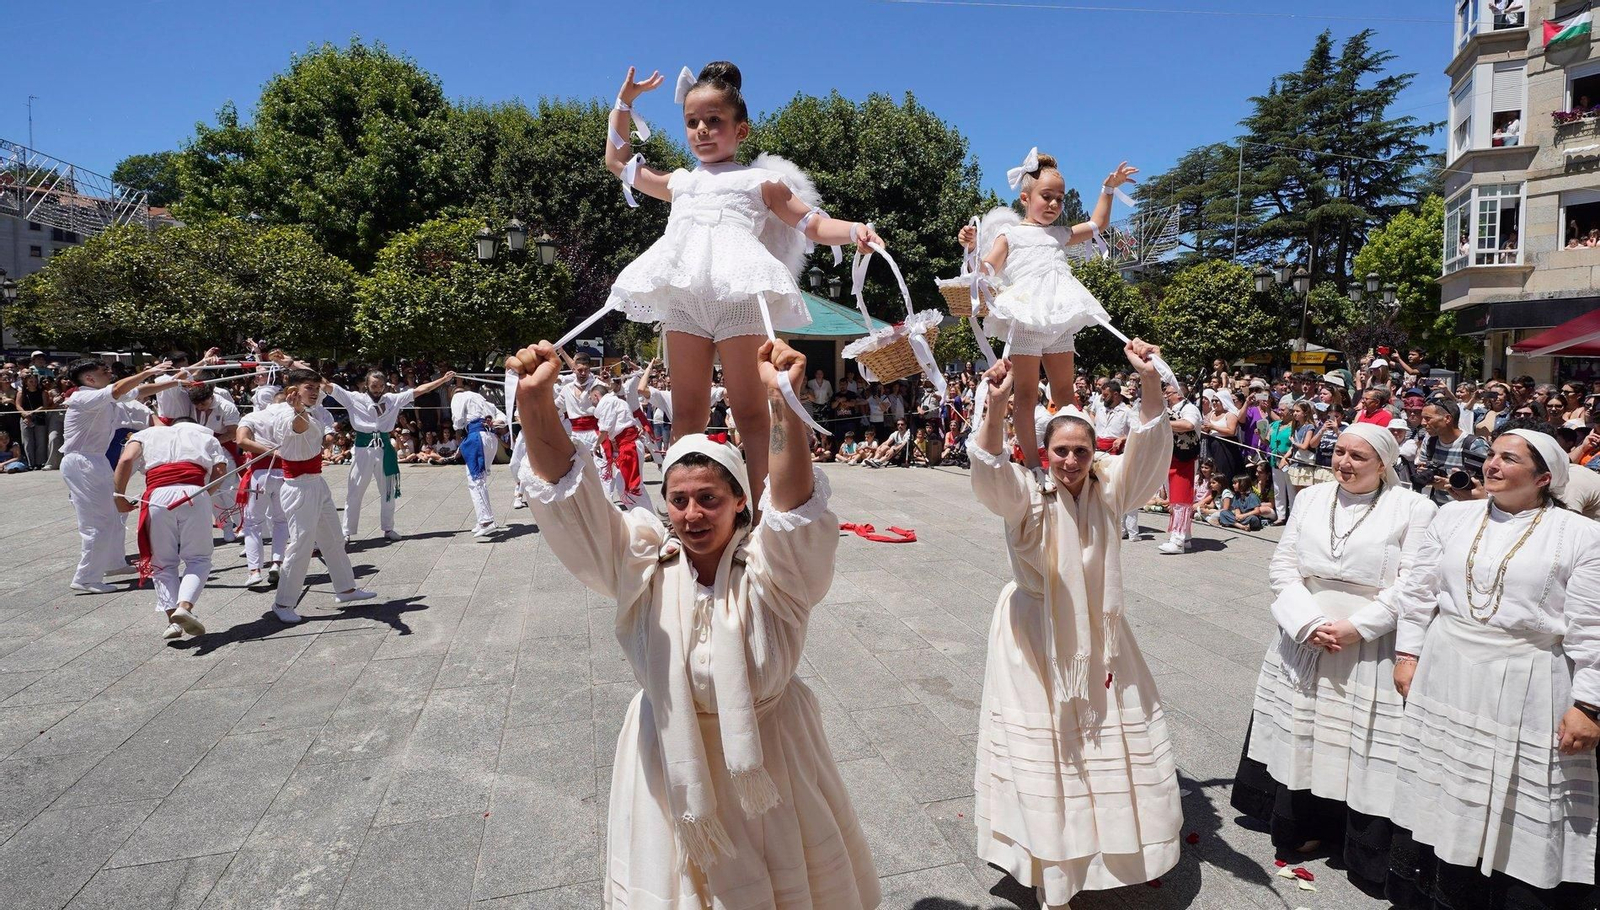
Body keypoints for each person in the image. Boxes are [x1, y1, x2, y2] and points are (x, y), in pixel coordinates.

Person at [509, 336, 880, 910]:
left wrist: (782, 404)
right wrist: (536, 405)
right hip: (670, 759)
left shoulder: (773, 573)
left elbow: (795, 507)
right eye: (678, 500)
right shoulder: (642, 566)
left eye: (709, 498)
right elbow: (576, 508)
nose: (692, 514)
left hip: (770, 755)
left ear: (740, 502)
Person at [606, 62, 882, 508]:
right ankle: (684, 510)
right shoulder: (681, 181)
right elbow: (617, 161)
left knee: (753, 414)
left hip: (740, 299)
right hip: (686, 301)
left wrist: (855, 232)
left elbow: (810, 222)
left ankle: (760, 512)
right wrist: (625, 103)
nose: (701, 130)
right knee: (687, 415)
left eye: (714, 121)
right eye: (692, 122)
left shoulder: (760, 181)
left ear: (742, 130)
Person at [967, 340, 1179, 908]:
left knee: (1101, 746)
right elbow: (989, 476)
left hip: (1101, 639)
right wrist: (994, 408)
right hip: (1031, 635)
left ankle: (1101, 853)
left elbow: (1152, 449)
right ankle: (1048, 869)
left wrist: (1150, 380)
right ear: (1045, 450)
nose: (1069, 462)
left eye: (1080, 452)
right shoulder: (1027, 495)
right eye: (1060, 451)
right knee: (1047, 754)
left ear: (1094, 453)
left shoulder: (1110, 493)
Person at [1387, 427, 1600, 909]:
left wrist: (1589, 702)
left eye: (1510, 458)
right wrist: (1408, 654)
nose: (1492, 464)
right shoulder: (1454, 516)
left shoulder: (1582, 534)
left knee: (1520, 793)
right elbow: (1418, 593)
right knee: (1446, 781)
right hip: (1447, 666)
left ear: (1544, 477)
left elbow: (1593, 624)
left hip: (1528, 673)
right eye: (1492, 454)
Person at [1232, 424, 1437, 886]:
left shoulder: (1415, 508)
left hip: (1369, 644)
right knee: (1304, 732)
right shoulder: (1310, 499)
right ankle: (1303, 825)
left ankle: (1355, 838)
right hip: (1306, 632)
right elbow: (1284, 565)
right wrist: (1307, 624)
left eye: (1357, 456)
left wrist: (1356, 627)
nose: (1343, 462)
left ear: (1383, 463)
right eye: (1339, 451)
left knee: (1357, 742)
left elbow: (1417, 583)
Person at [958, 150, 1138, 490]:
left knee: (1065, 393)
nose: (1054, 204)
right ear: (1026, 197)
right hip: (1026, 320)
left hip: (1059, 319)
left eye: (1059, 198)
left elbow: (1097, 224)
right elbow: (986, 270)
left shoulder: (1059, 234)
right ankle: (1032, 462)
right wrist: (971, 251)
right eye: (1046, 196)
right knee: (1025, 396)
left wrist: (1108, 188)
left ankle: (1076, 456)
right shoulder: (1010, 235)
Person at [262, 365, 377, 623]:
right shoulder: (286, 414)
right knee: (301, 545)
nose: (315, 392)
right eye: (309, 388)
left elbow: (315, 394)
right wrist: (298, 410)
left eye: (316, 388)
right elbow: (298, 426)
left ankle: (346, 589)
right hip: (299, 487)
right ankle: (283, 603)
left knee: (334, 538)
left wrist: (294, 365)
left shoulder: (311, 409)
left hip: (316, 483)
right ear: (294, 391)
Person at [60, 358, 181, 594]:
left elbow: (140, 391)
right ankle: (86, 577)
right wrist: (149, 371)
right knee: (98, 523)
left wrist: (175, 383)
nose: (108, 372)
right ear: (89, 379)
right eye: (102, 370)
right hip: (83, 461)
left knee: (113, 515)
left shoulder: (102, 394)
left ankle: (113, 563)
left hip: (95, 460)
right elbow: (119, 389)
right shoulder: (84, 397)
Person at [112, 417, 230, 641]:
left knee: (162, 562)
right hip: (195, 492)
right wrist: (205, 494)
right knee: (198, 558)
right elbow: (220, 471)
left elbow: (126, 460)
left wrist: (118, 496)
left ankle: (173, 621)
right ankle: (184, 607)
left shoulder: (147, 434)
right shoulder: (205, 435)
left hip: (158, 496)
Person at [327, 368, 456, 542]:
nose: (377, 389)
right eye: (374, 385)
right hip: (363, 448)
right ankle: (346, 531)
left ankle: (388, 528)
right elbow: (328, 386)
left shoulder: (392, 400)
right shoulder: (354, 398)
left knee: (388, 490)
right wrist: (294, 365)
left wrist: (442, 380)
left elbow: (420, 390)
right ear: (367, 385)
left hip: (385, 448)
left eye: (381, 386)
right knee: (355, 490)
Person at [236, 389, 290, 589]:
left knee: (252, 524)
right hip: (285, 475)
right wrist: (276, 451)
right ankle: (277, 562)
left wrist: (269, 451)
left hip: (261, 476)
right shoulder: (293, 417)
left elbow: (241, 440)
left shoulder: (253, 416)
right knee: (281, 521)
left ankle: (254, 570)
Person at [449, 378, 508, 542]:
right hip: (491, 438)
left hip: (477, 437)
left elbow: (458, 421)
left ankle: (486, 519)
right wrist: (493, 422)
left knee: (476, 480)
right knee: (479, 479)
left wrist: (460, 431)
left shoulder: (459, 397)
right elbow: (502, 420)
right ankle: (484, 518)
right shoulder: (485, 401)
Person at [1414, 400, 1489, 506]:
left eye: (1428, 418)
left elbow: (1487, 483)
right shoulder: (1430, 442)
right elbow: (1422, 468)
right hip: (1439, 507)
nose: (1423, 423)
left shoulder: (1474, 445)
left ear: (1447, 418)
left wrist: (1450, 484)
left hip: (1466, 509)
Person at [595, 374, 654, 511]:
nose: (592, 403)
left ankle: (649, 520)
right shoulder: (616, 401)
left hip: (629, 445)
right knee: (623, 485)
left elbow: (605, 428)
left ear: (597, 396)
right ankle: (643, 517)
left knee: (633, 488)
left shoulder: (608, 402)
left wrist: (596, 445)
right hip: (625, 445)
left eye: (592, 399)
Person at [1160, 382, 1203, 554]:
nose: (1165, 395)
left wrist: (1165, 423)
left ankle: (1177, 540)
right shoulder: (1172, 408)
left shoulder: (1189, 408)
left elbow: (1188, 425)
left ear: (1179, 394)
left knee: (1180, 499)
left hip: (1184, 457)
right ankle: (1185, 537)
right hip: (1173, 456)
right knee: (1176, 498)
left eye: (1168, 392)